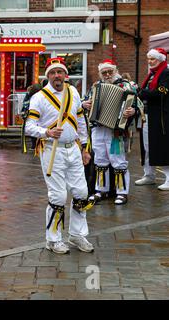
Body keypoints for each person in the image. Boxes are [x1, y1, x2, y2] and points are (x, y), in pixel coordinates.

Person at [25, 57, 94, 254]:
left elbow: (81, 121)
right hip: (50, 150)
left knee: (81, 192)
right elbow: (29, 127)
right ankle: (53, 239)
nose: (57, 75)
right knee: (58, 195)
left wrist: (85, 148)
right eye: (53, 72)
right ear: (48, 76)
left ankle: (76, 234)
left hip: (73, 148)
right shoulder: (39, 97)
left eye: (60, 72)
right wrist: (46, 132)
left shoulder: (73, 92)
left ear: (65, 75)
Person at [83, 59, 136, 205]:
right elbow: (86, 101)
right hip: (98, 128)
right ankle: (101, 190)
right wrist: (84, 104)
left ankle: (122, 192)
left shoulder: (125, 85)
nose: (107, 75)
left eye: (109, 72)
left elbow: (136, 105)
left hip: (116, 131)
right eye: (104, 72)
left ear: (115, 71)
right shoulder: (96, 87)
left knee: (118, 161)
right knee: (100, 160)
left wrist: (132, 110)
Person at [135, 48, 169, 191]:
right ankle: (149, 175)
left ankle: (168, 178)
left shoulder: (166, 73)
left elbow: (163, 91)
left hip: (161, 116)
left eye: (152, 59)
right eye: (148, 59)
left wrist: (142, 92)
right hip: (147, 115)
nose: (149, 61)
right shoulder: (151, 74)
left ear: (161, 59)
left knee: (163, 146)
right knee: (148, 146)